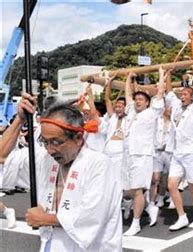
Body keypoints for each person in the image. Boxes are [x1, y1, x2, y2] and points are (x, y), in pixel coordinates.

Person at [0, 93, 122, 251]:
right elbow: (2, 157)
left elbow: (92, 218)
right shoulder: (44, 159)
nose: (50, 150)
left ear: (78, 138)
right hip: (51, 245)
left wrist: (46, 219)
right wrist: (20, 119)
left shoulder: (99, 165)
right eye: (45, 142)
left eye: (56, 142)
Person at [123, 71, 166, 235]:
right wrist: (129, 77)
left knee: (138, 189)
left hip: (143, 156)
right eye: (136, 99)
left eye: (141, 99)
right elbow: (128, 95)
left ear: (148, 102)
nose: (137, 102)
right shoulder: (131, 112)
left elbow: (160, 92)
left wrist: (161, 74)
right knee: (129, 190)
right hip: (128, 155)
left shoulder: (152, 113)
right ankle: (150, 207)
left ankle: (136, 224)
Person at [166, 66, 193, 231]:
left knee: (192, 186)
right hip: (177, 152)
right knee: (171, 185)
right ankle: (182, 216)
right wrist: (166, 72)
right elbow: (169, 91)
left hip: (191, 152)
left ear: (191, 98)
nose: (182, 96)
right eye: (181, 94)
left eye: (185, 95)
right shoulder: (176, 107)